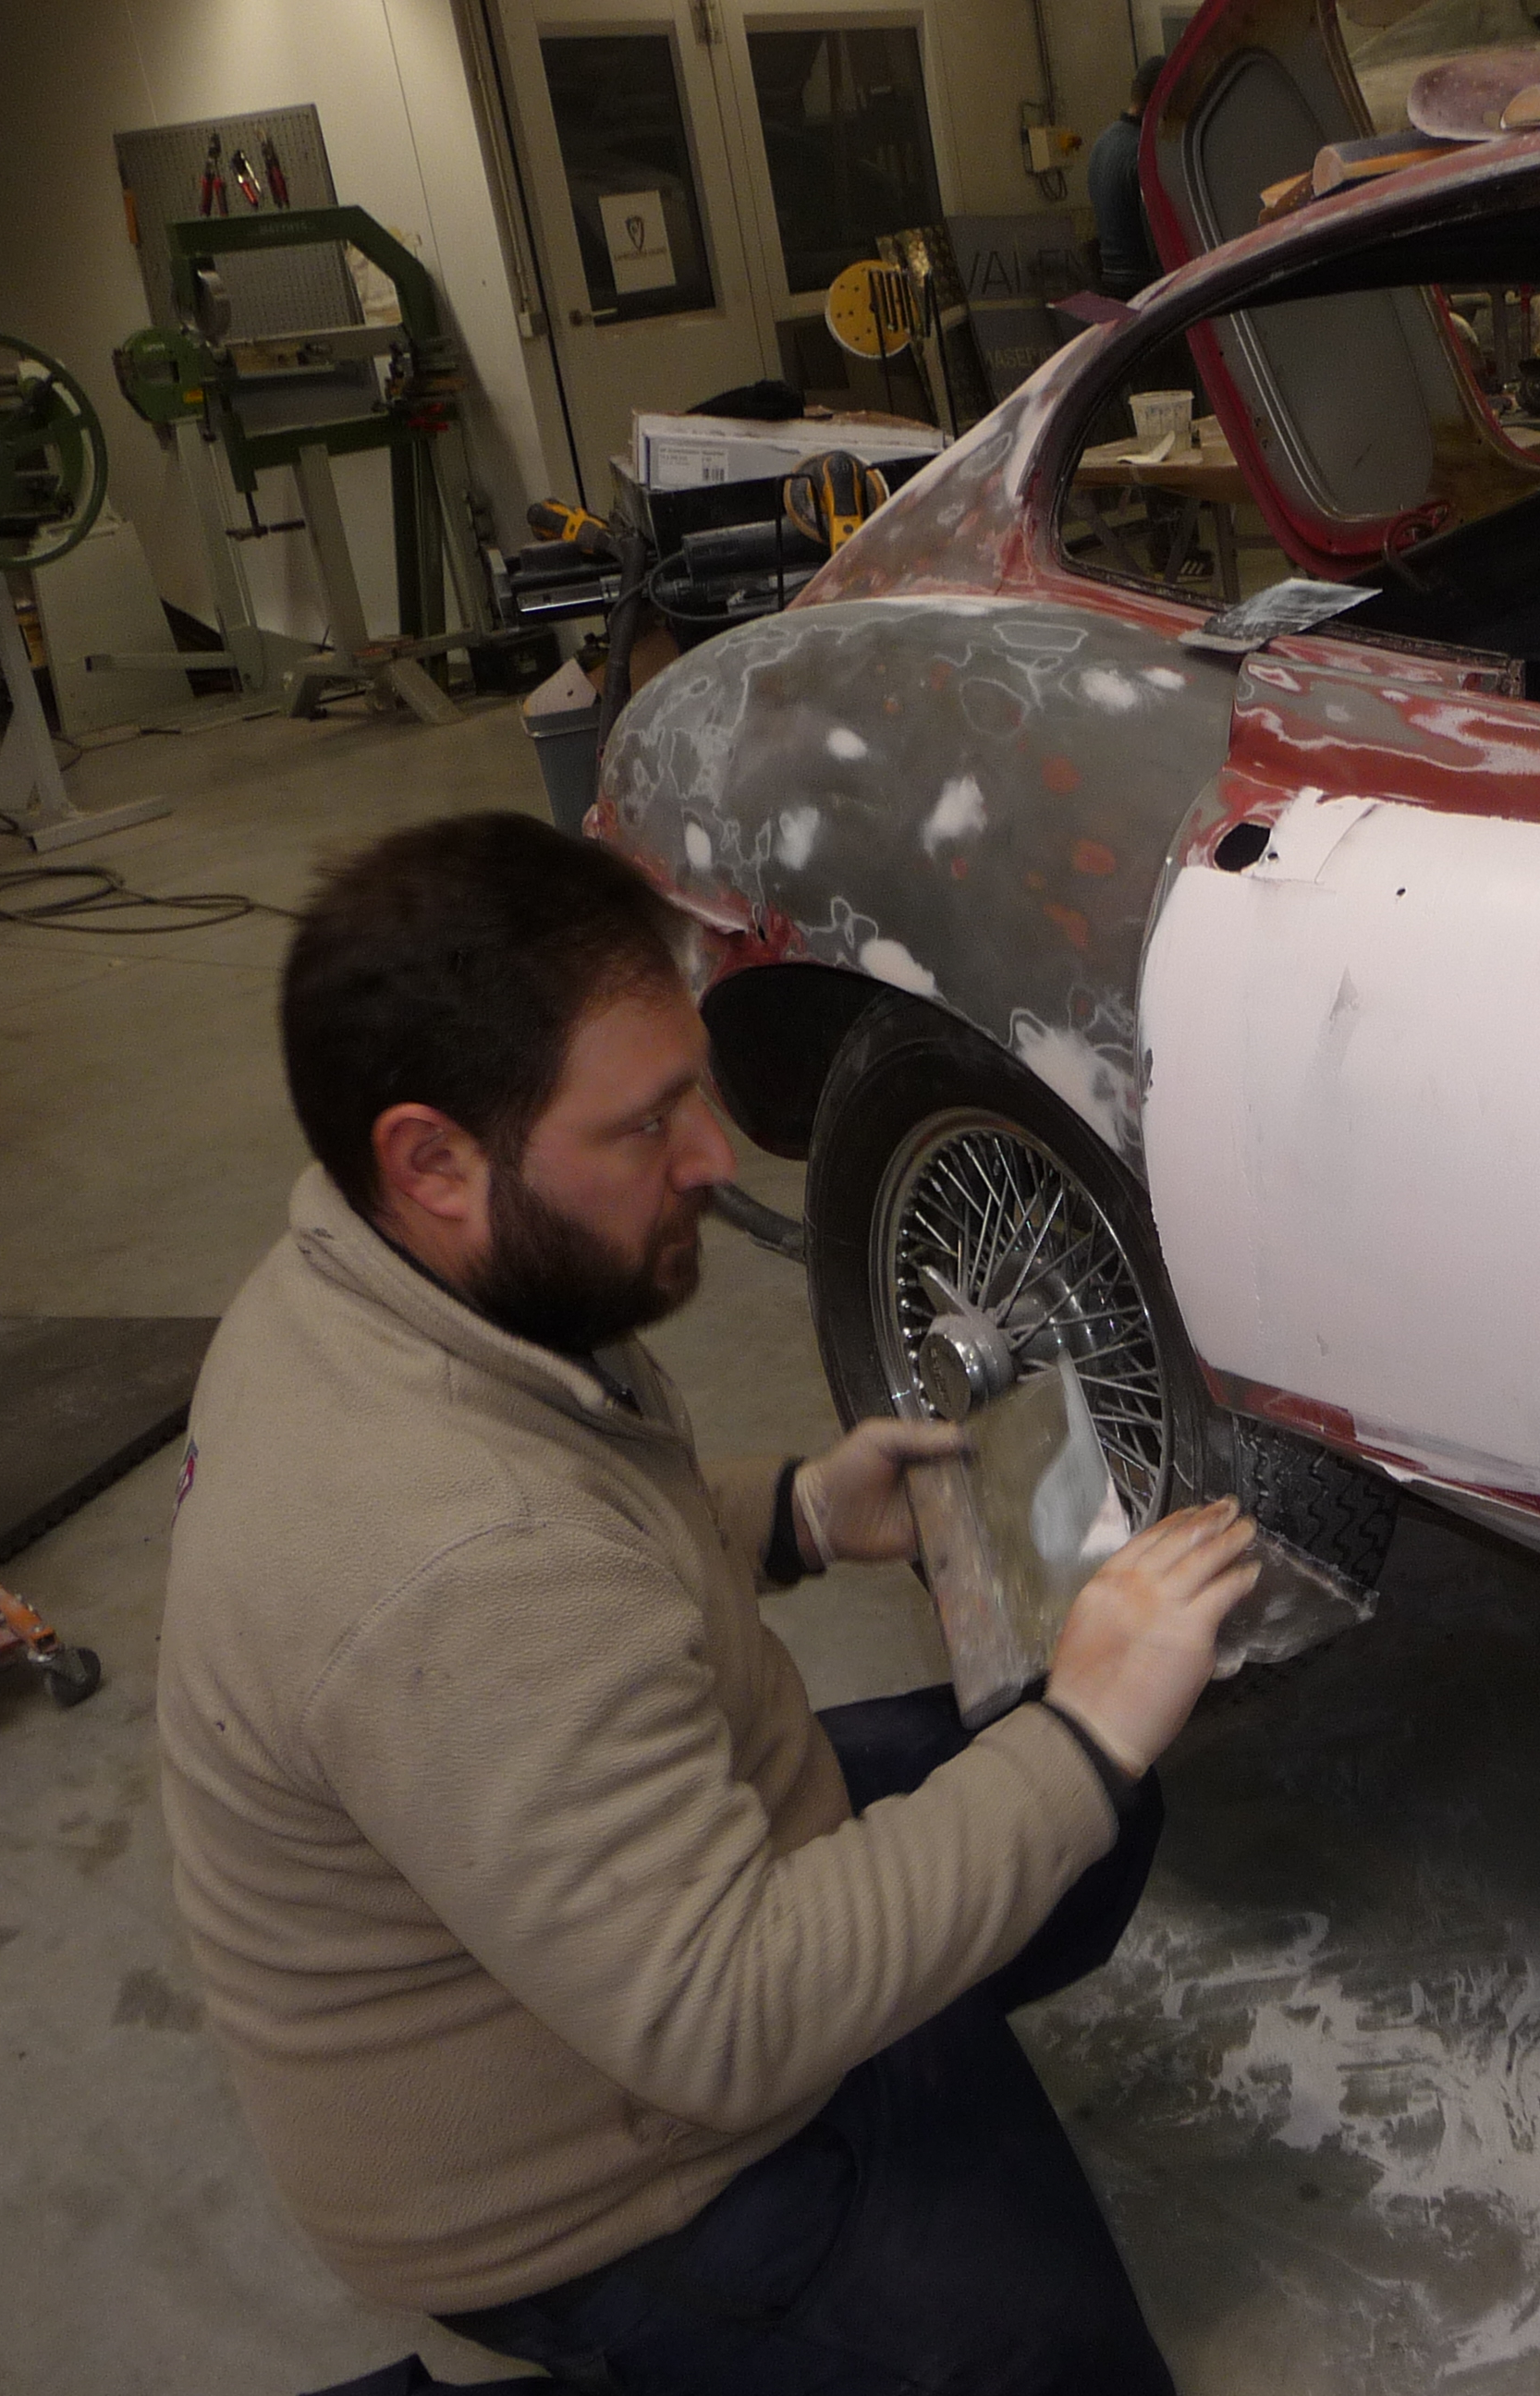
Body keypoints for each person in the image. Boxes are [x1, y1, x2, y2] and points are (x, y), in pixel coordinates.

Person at [159, 812, 1257, 2394]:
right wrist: (1080, 1734)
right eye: (645, 1124)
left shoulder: (374, 1273)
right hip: (600, 2169)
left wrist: (795, 1509)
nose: (712, 1158)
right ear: (432, 1160)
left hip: (586, 1917)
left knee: (1084, 1811)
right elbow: (722, 2015)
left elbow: (582, 1531)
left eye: (692, 1088)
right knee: (1069, 2364)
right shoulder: (453, 1557)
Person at [1089, 55, 1164, 301]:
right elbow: (1157, 242)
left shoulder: (1102, 143)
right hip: (1143, 290)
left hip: (1110, 285)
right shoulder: (1143, 153)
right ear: (1163, 96)